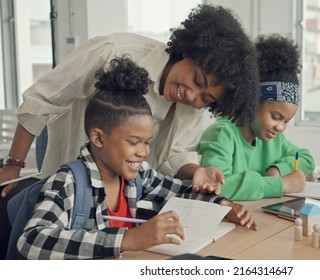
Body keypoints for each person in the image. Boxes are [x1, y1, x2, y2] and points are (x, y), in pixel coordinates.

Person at [0, 4, 259, 198]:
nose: (192, 96)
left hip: (121, 180)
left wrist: (196, 172)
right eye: (197, 80)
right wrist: (13, 167)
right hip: (70, 142)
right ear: (189, 51)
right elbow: (41, 100)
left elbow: (175, 154)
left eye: (206, 98)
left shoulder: (192, 108)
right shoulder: (114, 52)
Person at [16, 56, 257, 260]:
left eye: (147, 143)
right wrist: (128, 239)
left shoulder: (138, 175)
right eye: (133, 142)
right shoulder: (68, 181)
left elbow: (181, 192)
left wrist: (223, 206)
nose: (144, 152)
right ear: (98, 138)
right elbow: (32, 239)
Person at [197, 34, 315, 200]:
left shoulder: (274, 139)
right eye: (275, 117)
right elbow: (215, 186)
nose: (280, 127)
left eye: (286, 121)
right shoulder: (222, 134)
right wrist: (281, 184)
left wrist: (277, 170)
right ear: (252, 100)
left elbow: (306, 159)